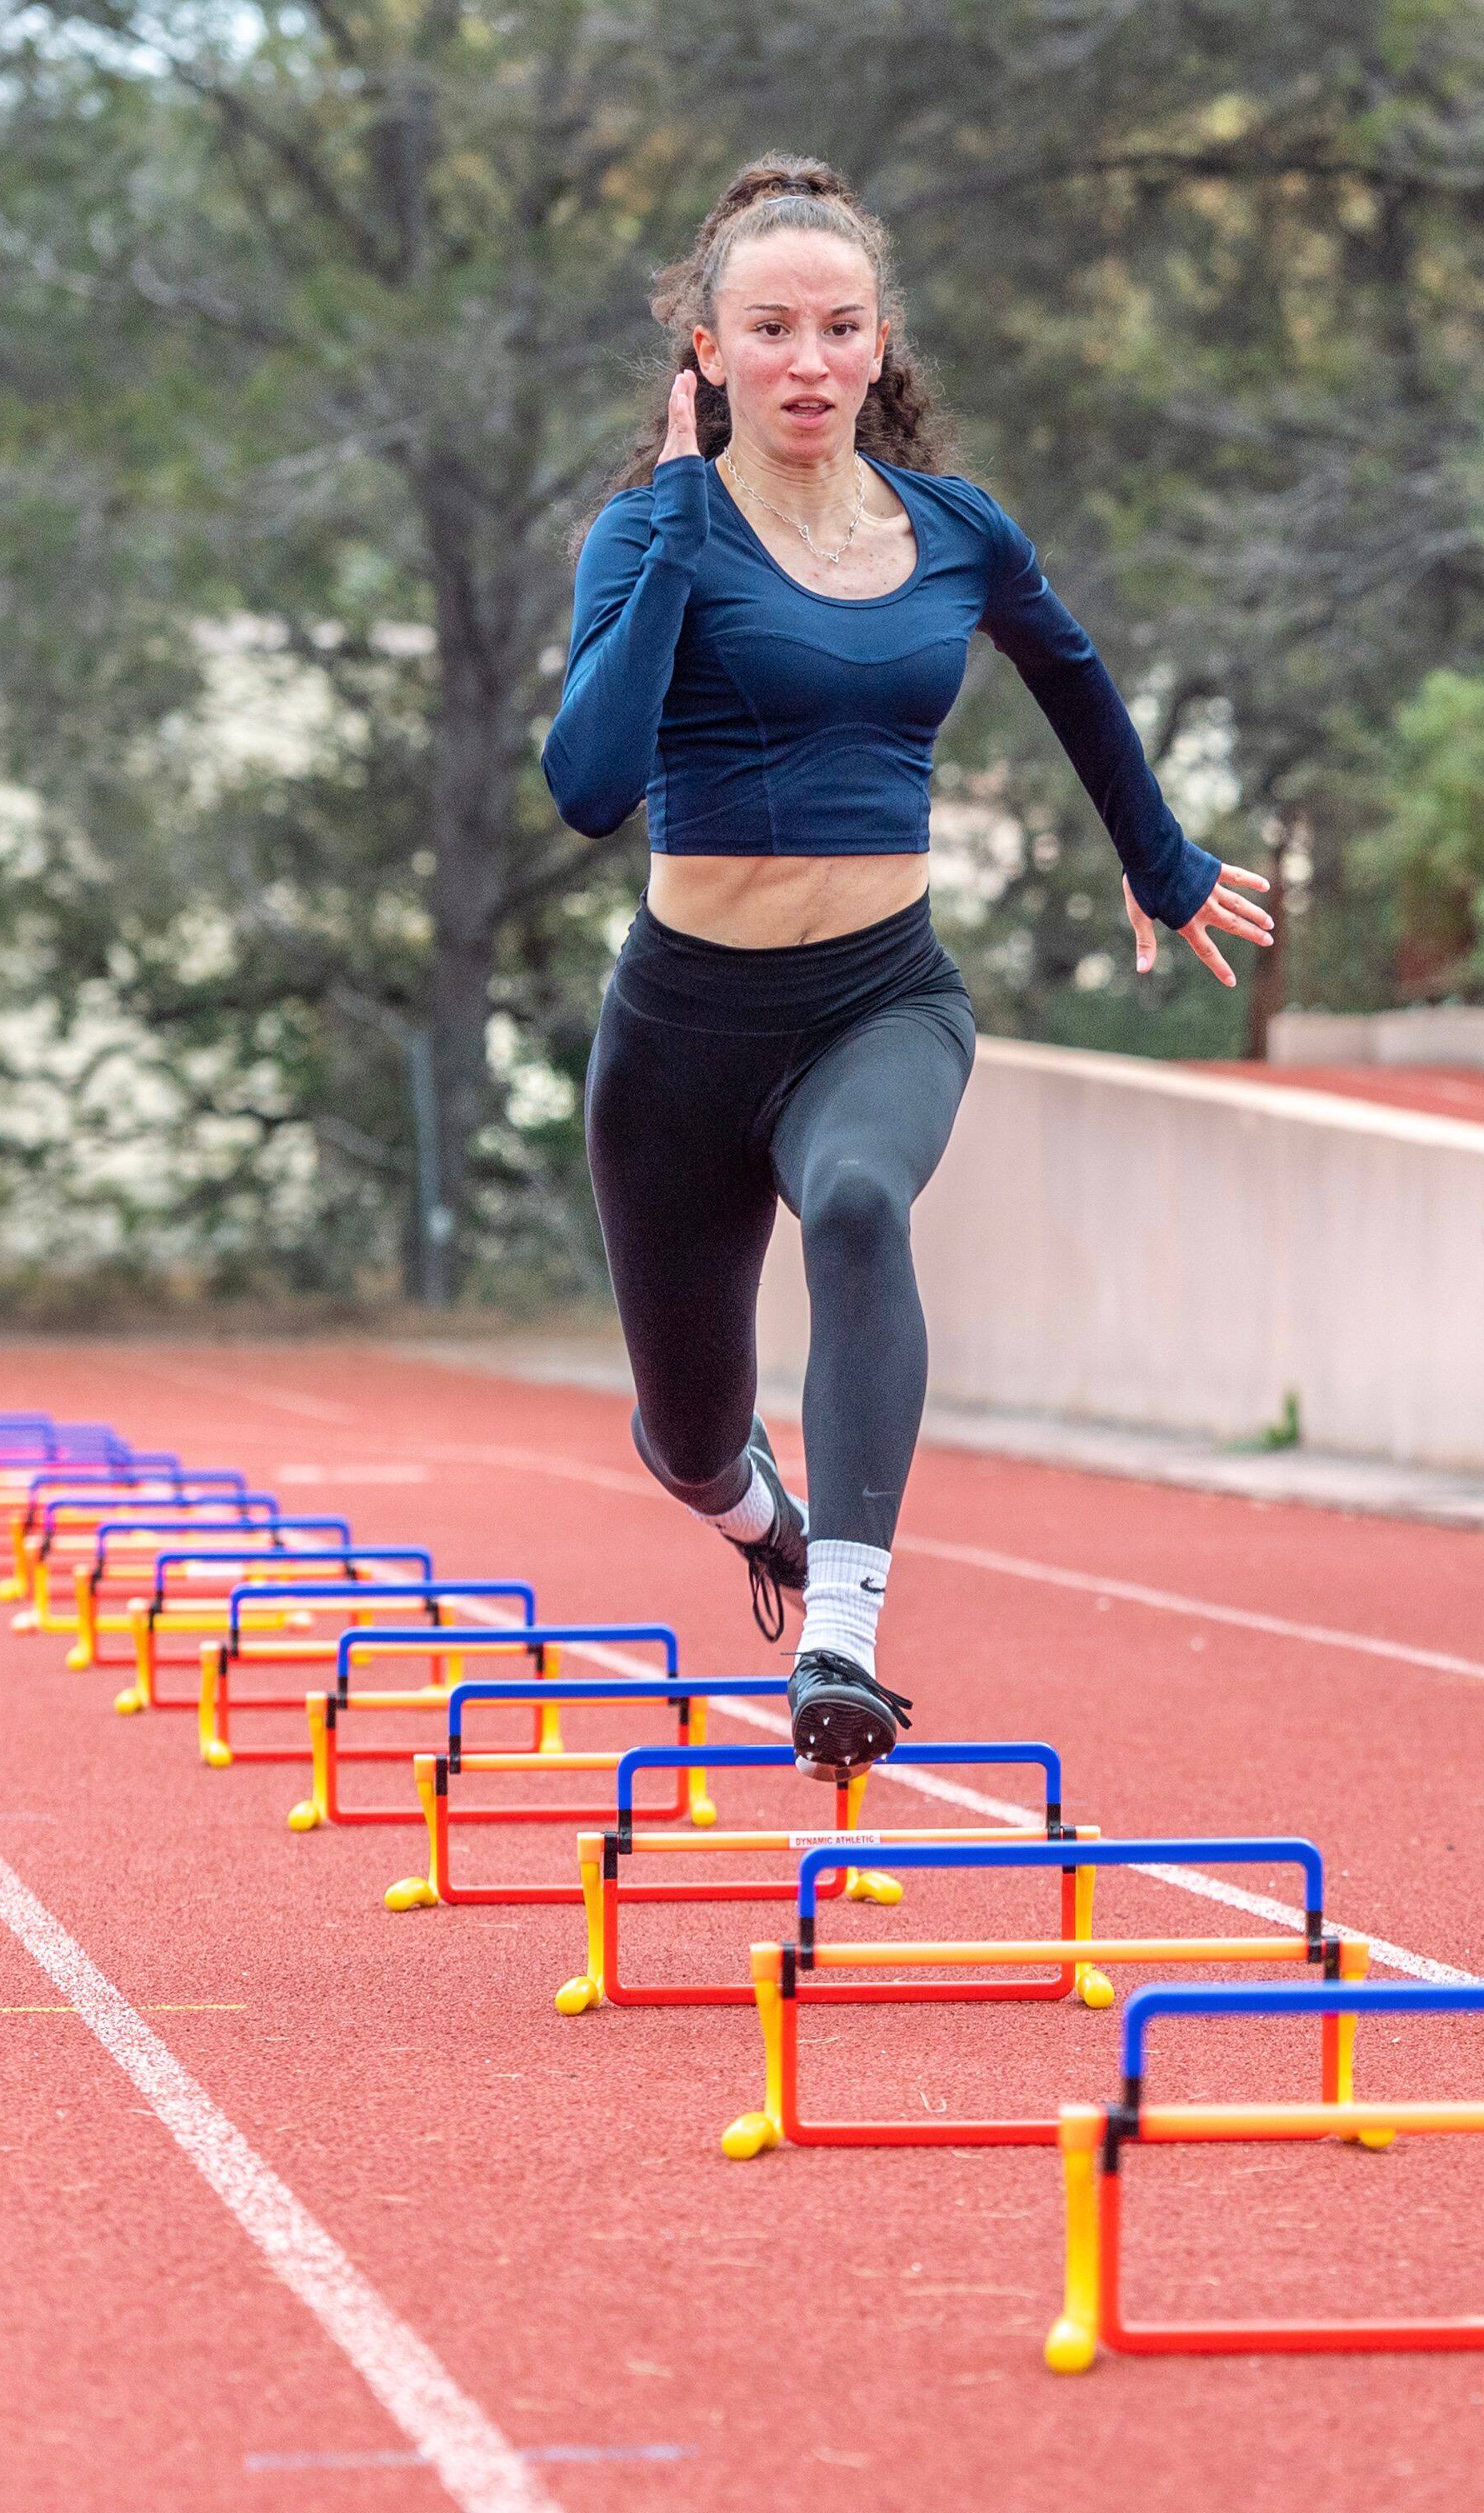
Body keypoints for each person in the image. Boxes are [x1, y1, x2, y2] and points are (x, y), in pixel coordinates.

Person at [542, 153, 1272, 1777]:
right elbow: (588, 787)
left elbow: (1073, 673)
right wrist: (677, 539)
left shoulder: (955, 532)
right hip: (683, 1030)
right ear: (709, 351)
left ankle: (844, 1638)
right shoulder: (644, 533)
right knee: (687, 1437)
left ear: (880, 345)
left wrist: (1162, 861)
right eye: (772, 329)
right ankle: (764, 1518)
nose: (810, 361)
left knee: (863, 1200)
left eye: (841, 327)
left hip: (879, 999)